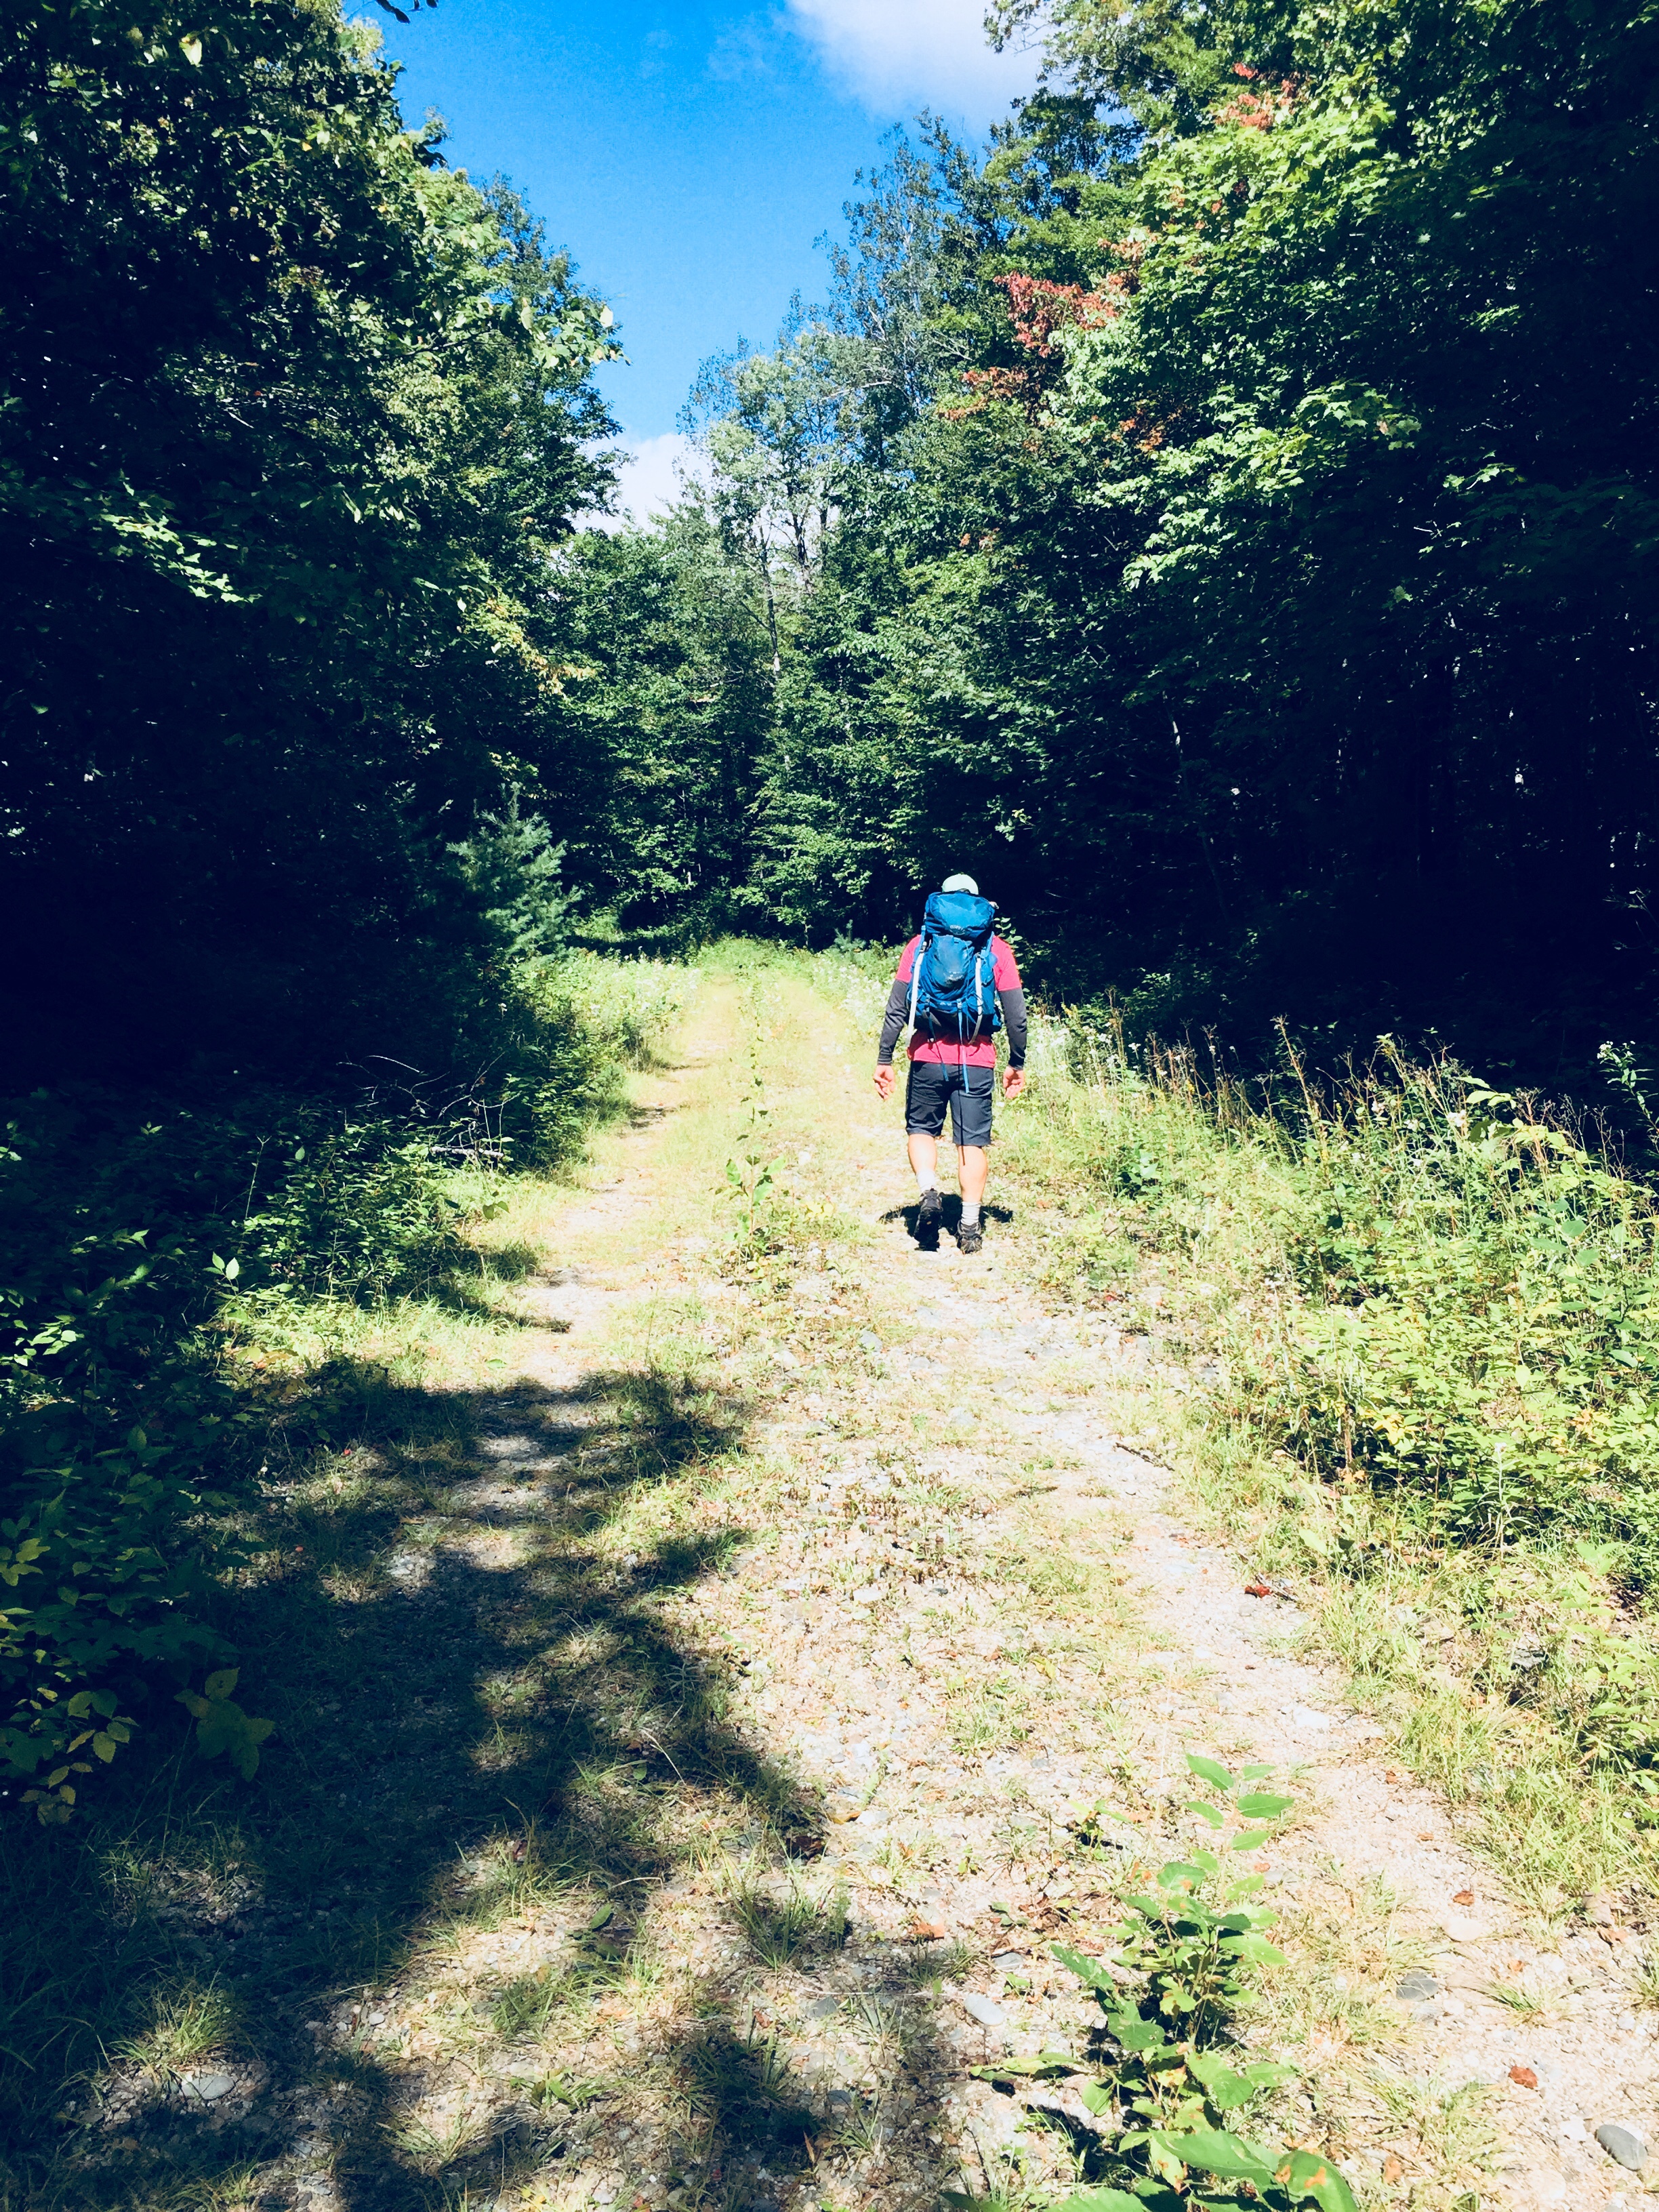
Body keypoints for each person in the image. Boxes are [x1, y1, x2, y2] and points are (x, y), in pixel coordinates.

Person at [872, 873, 1027, 1254]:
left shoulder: (919, 946)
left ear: (940, 903)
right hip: (977, 1058)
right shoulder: (997, 949)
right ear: (978, 906)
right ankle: (970, 1226)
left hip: (927, 1054)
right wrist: (1016, 1062)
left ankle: (929, 1192)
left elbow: (897, 1008)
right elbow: (1016, 1014)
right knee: (971, 1143)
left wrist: (884, 1059)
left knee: (921, 1129)